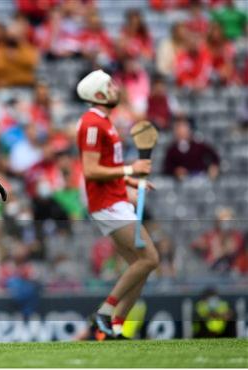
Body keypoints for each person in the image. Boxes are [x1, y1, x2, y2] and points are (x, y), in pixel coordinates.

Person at [76, 70, 159, 339]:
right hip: (109, 204)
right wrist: (130, 170)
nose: (116, 88)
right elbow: (91, 171)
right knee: (149, 259)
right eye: (110, 86)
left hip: (116, 198)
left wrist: (133, 182)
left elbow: (107, 168)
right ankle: (104, 312)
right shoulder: (92, 123)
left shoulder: (104, 122)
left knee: (139, 266)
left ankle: (115, 327)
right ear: (98, 94)